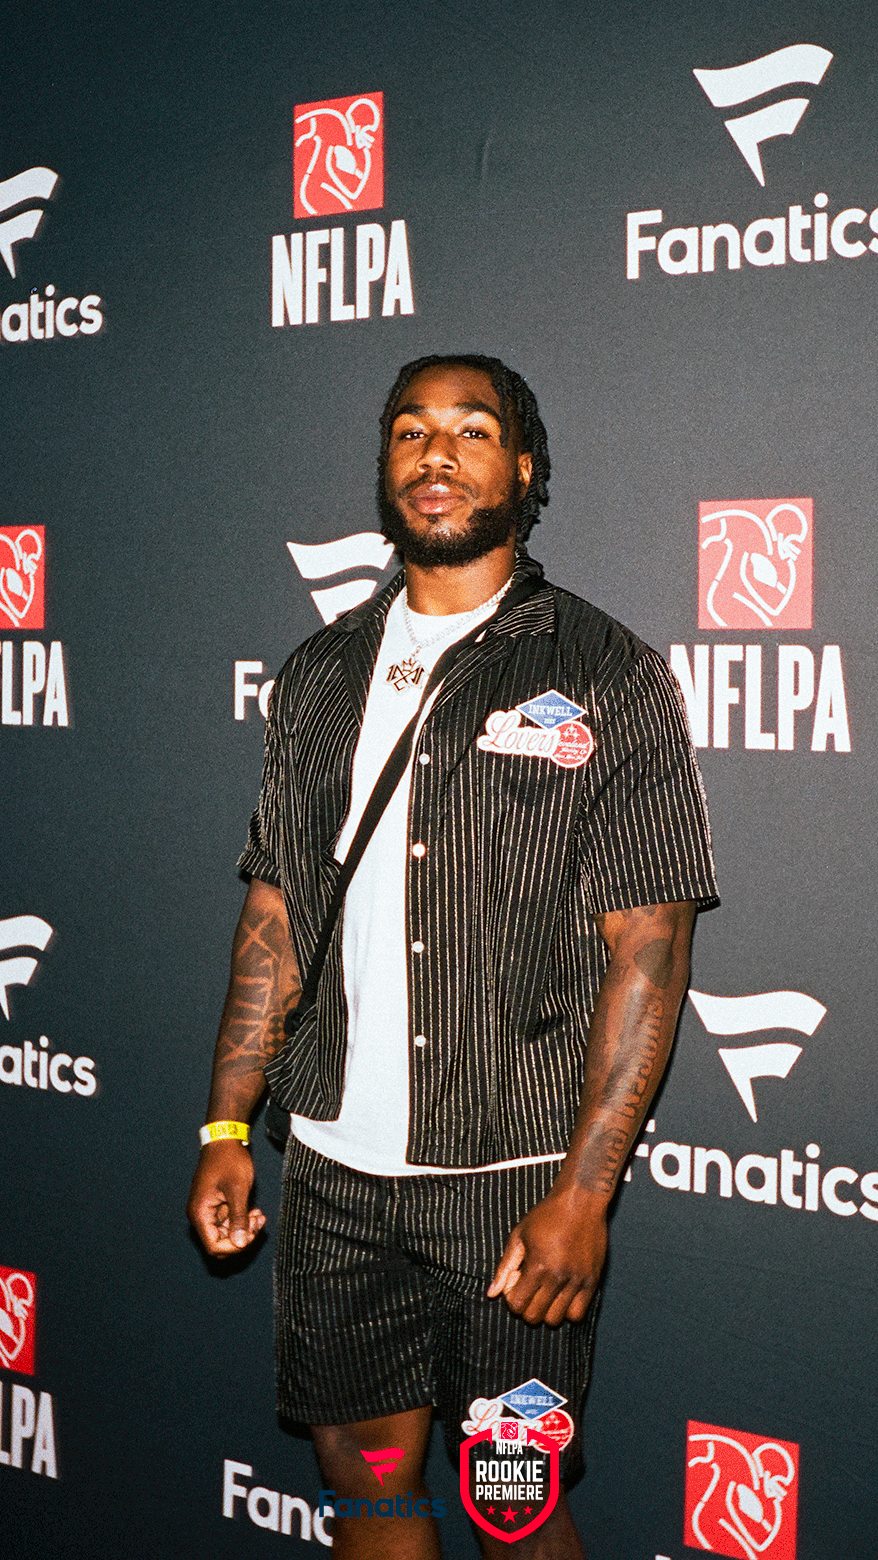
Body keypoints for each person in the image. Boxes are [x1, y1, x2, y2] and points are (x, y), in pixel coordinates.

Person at [187, 354, 719, 1558]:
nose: (437, 453)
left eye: (471, 431)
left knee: (510, 1506)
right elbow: (274, 917)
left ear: (523, 469)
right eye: (410, 430)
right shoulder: (318, 675)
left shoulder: (605, 671)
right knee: (368, 1481)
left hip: (512, 1189)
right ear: (385, 464)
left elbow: (648, 949)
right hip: (332, 1176)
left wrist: (583, 1195)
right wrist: (226, 1124)